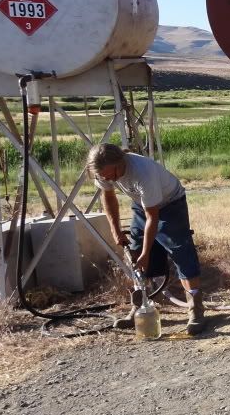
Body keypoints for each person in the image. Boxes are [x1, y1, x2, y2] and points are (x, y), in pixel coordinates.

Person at [86, 143, 208, 334]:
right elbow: (108, 197)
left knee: (180, 251)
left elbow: (153, 217)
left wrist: (146, 253)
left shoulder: (143, 172)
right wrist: (116, 230)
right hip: (142, 205)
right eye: (104, 177)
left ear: (121, 162)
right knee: (134, 254)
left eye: (112, 175)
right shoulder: (104, 171)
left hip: (170, 203)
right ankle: (141, 306)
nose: (109, 179)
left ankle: (196, 310)